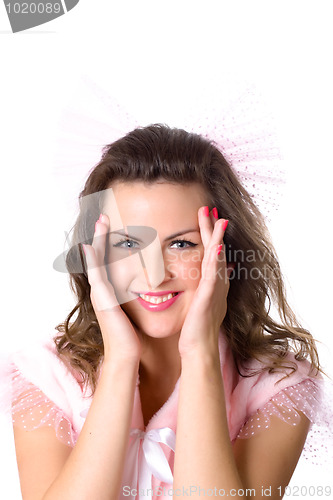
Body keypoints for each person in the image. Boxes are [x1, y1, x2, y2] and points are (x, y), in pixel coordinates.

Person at [6, 124, 324, 499]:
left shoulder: (279, 387)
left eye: (182, 244)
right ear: (97, 257)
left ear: (226, 258)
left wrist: (200, 354)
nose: (153, 274)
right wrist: (122, 362)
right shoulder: (43, 376)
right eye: (127, 242)